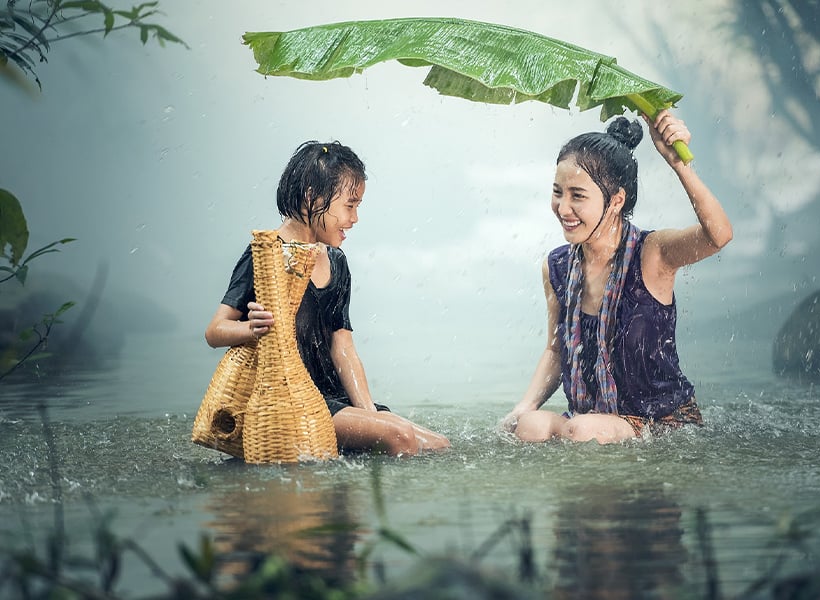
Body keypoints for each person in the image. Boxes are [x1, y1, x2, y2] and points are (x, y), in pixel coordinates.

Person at [205, 140, 450, 456]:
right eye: (350, 206)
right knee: (400, 437)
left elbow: (343, 347)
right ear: (312, 197)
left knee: (437, 445)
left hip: (336, 399)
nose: (355, 218)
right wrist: (250, 329)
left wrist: (369, 413)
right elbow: (214, 331)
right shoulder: (266, 256)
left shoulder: (336, 261)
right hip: (295, 402)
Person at [501, 111, 732, 444]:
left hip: (662, 422)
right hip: (592, 420)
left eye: (577, 196)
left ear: (616, 201)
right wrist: (523, 406)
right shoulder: (558, 267)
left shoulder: (652, 255)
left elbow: (718, 235)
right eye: (557, 192)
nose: (563, 208)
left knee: (582, 429)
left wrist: (678, 163)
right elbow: (556, 350)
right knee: (531, 426)